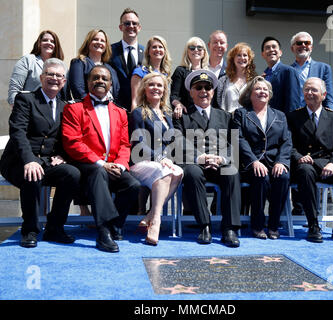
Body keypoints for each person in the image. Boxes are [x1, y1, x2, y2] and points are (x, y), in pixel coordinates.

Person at [0, 58, 80, 248]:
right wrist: (29, 160)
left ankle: (55, 227)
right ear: (41, 77)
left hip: (47, 162)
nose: (54, 78)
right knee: (33, 175)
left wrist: (63, 155)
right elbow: (17, 132)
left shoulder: (65, 107)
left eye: (59, 75)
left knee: (72, 174)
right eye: (50, 74)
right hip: (19, 161)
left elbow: (66, 136)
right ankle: (30, 230)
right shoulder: (26, 99)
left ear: (64, 81)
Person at [62, 65, 141, 253]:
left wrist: (121, 166)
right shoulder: (74, 108)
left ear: (111, 84)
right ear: (88, 83)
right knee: (99, 173)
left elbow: (124, 144)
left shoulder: (120, 112)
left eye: (104, 79)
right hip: (86, 166)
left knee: (133, 185)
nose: (100, 81)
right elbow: (72, 142)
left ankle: (115, 226)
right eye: (95, 78)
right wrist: (101, 163)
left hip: (113, 165)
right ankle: (103, 233)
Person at [173, 69, 241, 247]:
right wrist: (200, 157)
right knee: (193, 173)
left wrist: (220, 159)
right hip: (195, 163)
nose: (203, 91)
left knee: (232, 171)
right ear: (191, 92)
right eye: (198, 87)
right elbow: (179, 141)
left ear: (212, 92)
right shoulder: (182, 117)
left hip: (218, 162)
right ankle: (205, 226)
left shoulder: (225, 116)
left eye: (207, 87)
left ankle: (229, 229)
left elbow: (232, 144)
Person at [287, 77, 333, 243]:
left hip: (329, 165)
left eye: (314, 90)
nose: (309, 93)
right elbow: (288, 145)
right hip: (305, 166)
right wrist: (299, 157)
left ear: (324, 94)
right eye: (306, 89)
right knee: (305, 171)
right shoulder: (293, 117)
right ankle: (313, 225)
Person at [233, 76, 291, 239]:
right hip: (250, 163)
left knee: (283, 177)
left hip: (274, 162)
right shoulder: (241, 114)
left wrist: (282, 162)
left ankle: (273, 225)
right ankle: (257, 225)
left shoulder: (280, 115)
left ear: (270, 94)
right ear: (250, 94)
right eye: (258, 89)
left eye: (265, 89)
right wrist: (253, 161)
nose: (262, 92)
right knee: (261, 177)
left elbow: (286, 141)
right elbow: (238, 139)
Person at [129, 73, 183, 245]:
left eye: (159, 85)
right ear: (144, 89)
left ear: (164, 90)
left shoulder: (167, 114)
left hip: (161, 163)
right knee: (164, 172)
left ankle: (150, 214)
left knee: (179, 171)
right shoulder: (138, 112)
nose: (155, 88)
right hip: (141, 162)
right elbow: (138, 143)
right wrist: (159, 158)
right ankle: (156, 222)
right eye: (151, 85)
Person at [8, 30, 64, 107]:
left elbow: (64, 95)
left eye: (52, 41)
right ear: (39, 43)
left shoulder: (62, 66)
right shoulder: (28, 60)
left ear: (56, 45)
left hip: (54, 113)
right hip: (29, 110)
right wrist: (19, 112)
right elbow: (14, 90)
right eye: (45, 40)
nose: (48, 43)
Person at [68, 29, 120, 102]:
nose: (99, 42)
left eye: (102, 41)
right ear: (88, 42)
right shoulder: (79, 63)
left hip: (108, 109)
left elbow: (116, 91)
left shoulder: (110, 68)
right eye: (95, 39)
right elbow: (77, 89)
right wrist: (93, 104)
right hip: (87, 108)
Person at [110, 8, 144, 110]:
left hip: (142, 107)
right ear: (121, 27)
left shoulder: (147, 52)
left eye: (134, 23)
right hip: (116, 107)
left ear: (139, 27)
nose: (131, 26)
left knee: (149, 127)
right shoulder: (110, 50)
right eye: (127, 23)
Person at [290, 31, 333, 110]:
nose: (303, 45)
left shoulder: (324, 68)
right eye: (299, 43)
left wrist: (330, 117)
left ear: (311, 47)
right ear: (292, 48)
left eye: (307, 43)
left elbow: (328, 97)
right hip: (293, 116)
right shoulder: (287, 71)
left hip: (315, 115)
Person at [170, 37, 209, 119]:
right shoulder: (180, 71)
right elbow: (173, 95)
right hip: (186, 114)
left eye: (199, 48)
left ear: (204, 52)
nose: (196, 50)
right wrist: (178, 104)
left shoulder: (208, 73)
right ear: (187, 52)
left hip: (204, 115)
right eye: (192, 48)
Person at [261, 36, 301, 114]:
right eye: (267, 48)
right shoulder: (263, 76)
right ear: (263, 54)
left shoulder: (289, 71)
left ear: (280, 52)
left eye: (274, 47)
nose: (271, 49)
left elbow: (293, 104)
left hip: (282, 123)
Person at [130, 35, 172, 109]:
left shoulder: (166, 74)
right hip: (145, 114)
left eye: (160, 47)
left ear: (165, 51)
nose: (157, 49)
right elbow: (135, 101)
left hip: (162, 114)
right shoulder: (140, 72)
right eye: (154, 47)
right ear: (148, 51)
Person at [216, 42, 257, 114]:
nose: (242, 58)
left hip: (247, 121)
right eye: (238, 55)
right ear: (233, 59)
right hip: (228, 121)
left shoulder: (254, 81)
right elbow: (218, 102)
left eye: (245, 55)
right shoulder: (223, 80)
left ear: (249, 59)